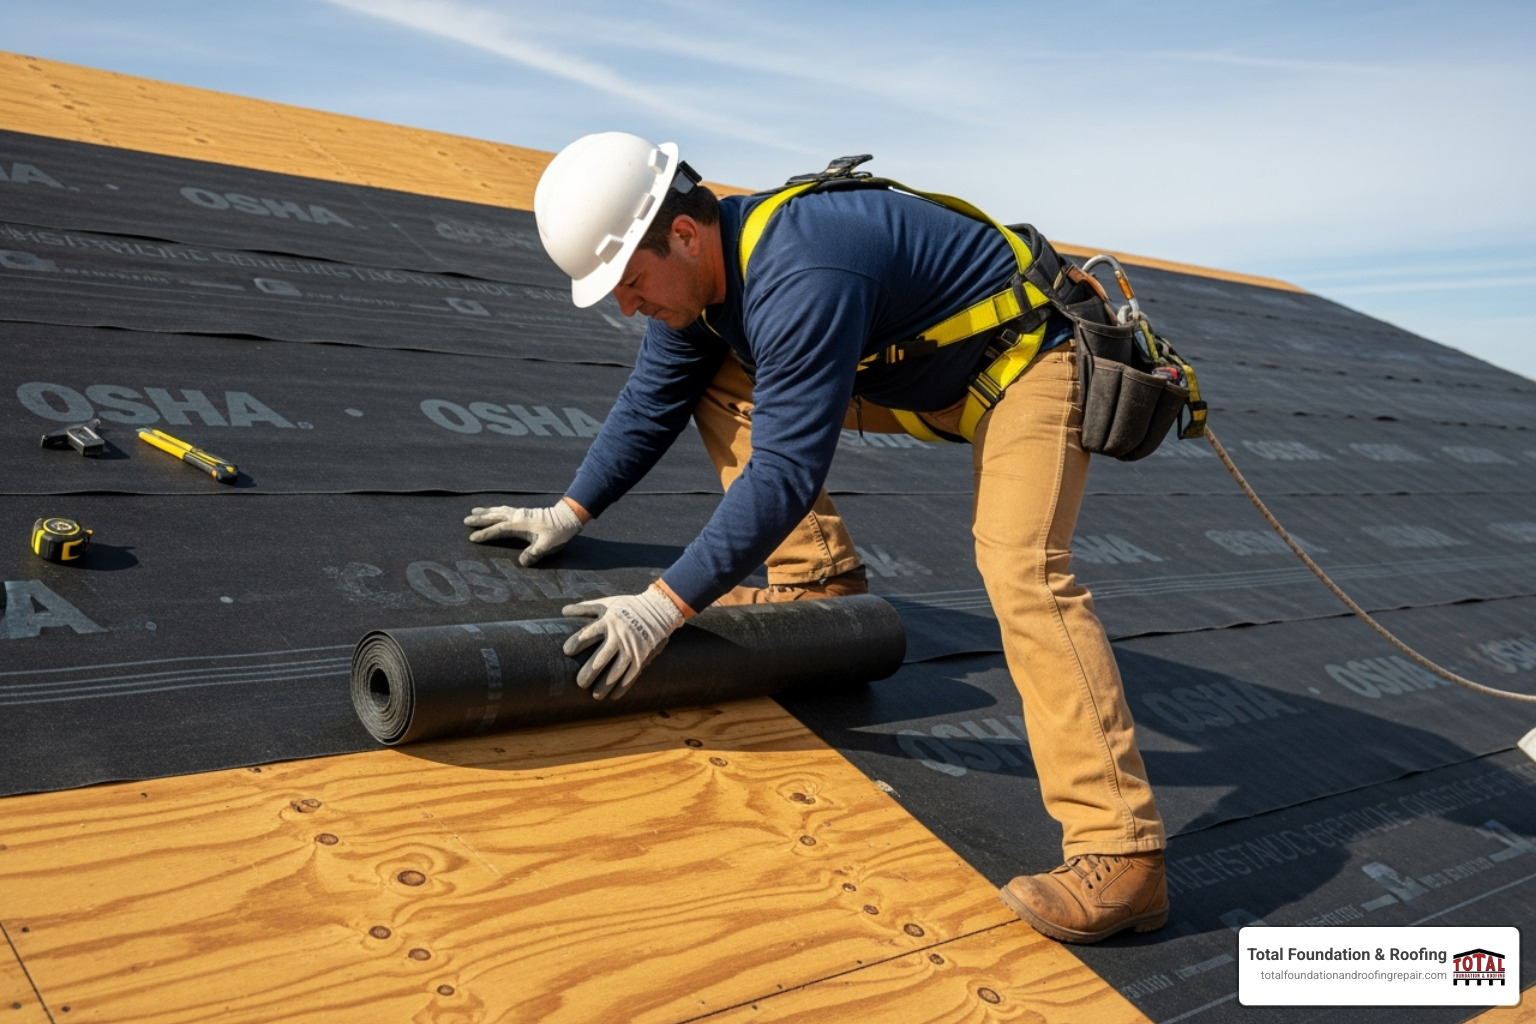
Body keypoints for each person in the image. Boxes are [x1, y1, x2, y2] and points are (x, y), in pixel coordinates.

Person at [464, 132, 1167, 944]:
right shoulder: (703, 280)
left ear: (683, 236)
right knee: (715, 376)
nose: (626, 304)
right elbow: (656, 394)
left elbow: (785, 471)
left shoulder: (802, 270)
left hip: (1026, 366)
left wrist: (662, 607)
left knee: (1021, 568)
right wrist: (569, 512)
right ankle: (815, 577)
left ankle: (1123, 851)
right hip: (925, 374)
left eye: (628, 281)